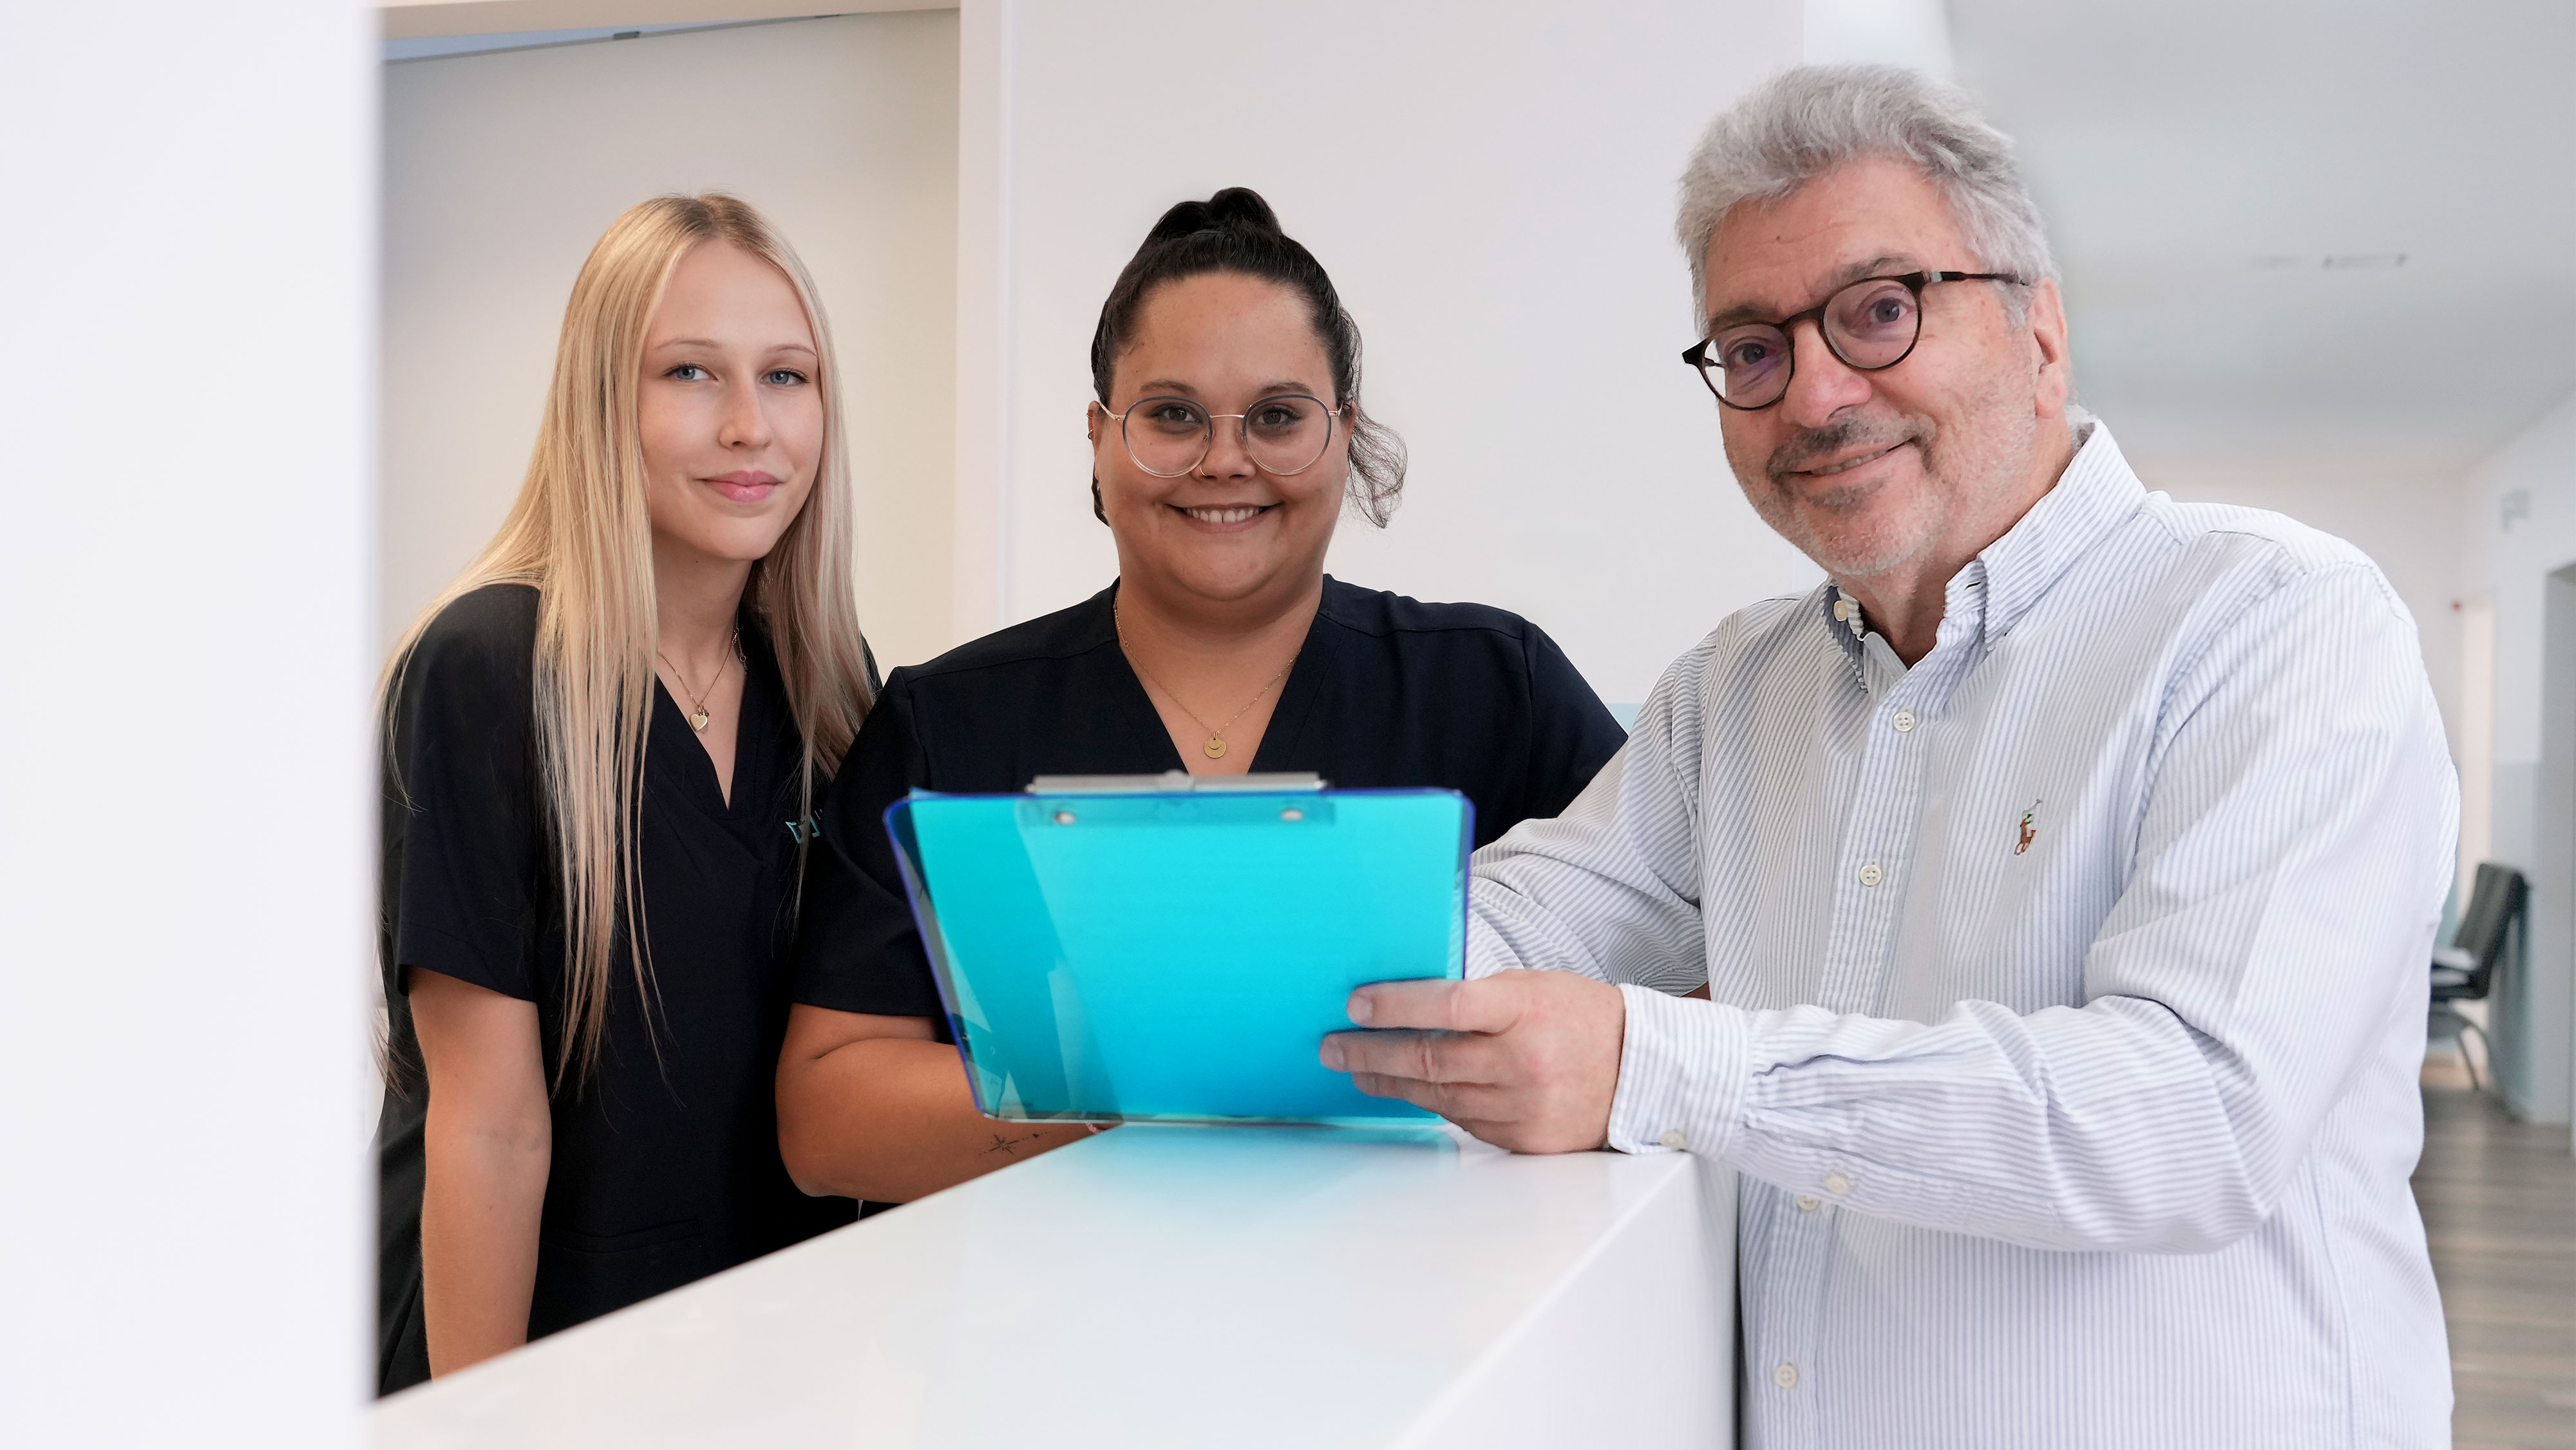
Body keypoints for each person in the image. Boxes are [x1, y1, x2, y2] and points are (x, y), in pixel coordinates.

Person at [1323, 66, 2455, 1445]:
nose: (1811, 395)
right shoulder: (1733, 690)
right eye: (1749, 348)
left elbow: (2192, 1118)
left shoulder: (2274, 623)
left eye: (1877, 312)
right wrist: (1238, 933)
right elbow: (1510, 919)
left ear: (2036, 328)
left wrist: (1657, 1062)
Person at [777, 188, 1626, 1205]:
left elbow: (1687, 987)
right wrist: (1147, 1101)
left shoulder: (1497, 687)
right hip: (1048, 1329)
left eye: (1276, 416)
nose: (1226, 459)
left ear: (1344, 433)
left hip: (1423, 1320)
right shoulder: (947, 723)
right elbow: (826, 1115)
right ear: (1099, 438)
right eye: (1173, 415)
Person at [375, 194, 878, 1393]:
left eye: (789, 376)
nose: (753, 426)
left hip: (749, 1350)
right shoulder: (490, 668)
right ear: (605, 399)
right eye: (692, 373)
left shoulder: (829, 688)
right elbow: (490, 1130)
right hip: (520, 1351)